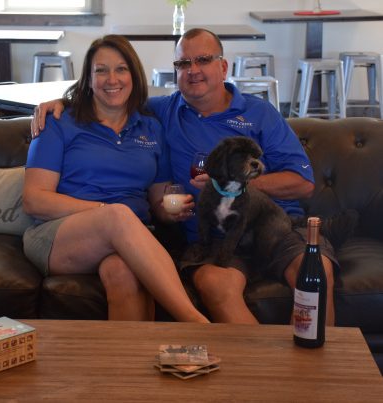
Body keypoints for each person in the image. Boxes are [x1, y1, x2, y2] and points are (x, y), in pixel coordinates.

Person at [31, 29, 338, 326]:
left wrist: (233, 186)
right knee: (215, 284)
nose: (193, 71)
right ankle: (251, 364)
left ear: (223, 66)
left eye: (203, 60)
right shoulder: (162, 112)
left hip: (277, 225)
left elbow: (303, 183)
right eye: (183, 63)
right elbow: (108, 99)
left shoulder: (259, 113)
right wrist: (62, 102)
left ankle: (312, 374)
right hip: (214, 239)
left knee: (315, 274)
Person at [23, 34, 207, 323]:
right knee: (118, 216)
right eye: (101, 70)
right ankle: (196, 323)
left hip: (131, 236)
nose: (112, 79)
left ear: (134, 74)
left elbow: (159, 199)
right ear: (88, 78)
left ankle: (128, 366)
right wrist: (105, 213)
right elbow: (34, 200)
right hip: (59, 236)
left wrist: (171, 211)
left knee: (122, 272)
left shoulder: (150, 127)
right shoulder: (58, 121)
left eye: (121, 69)